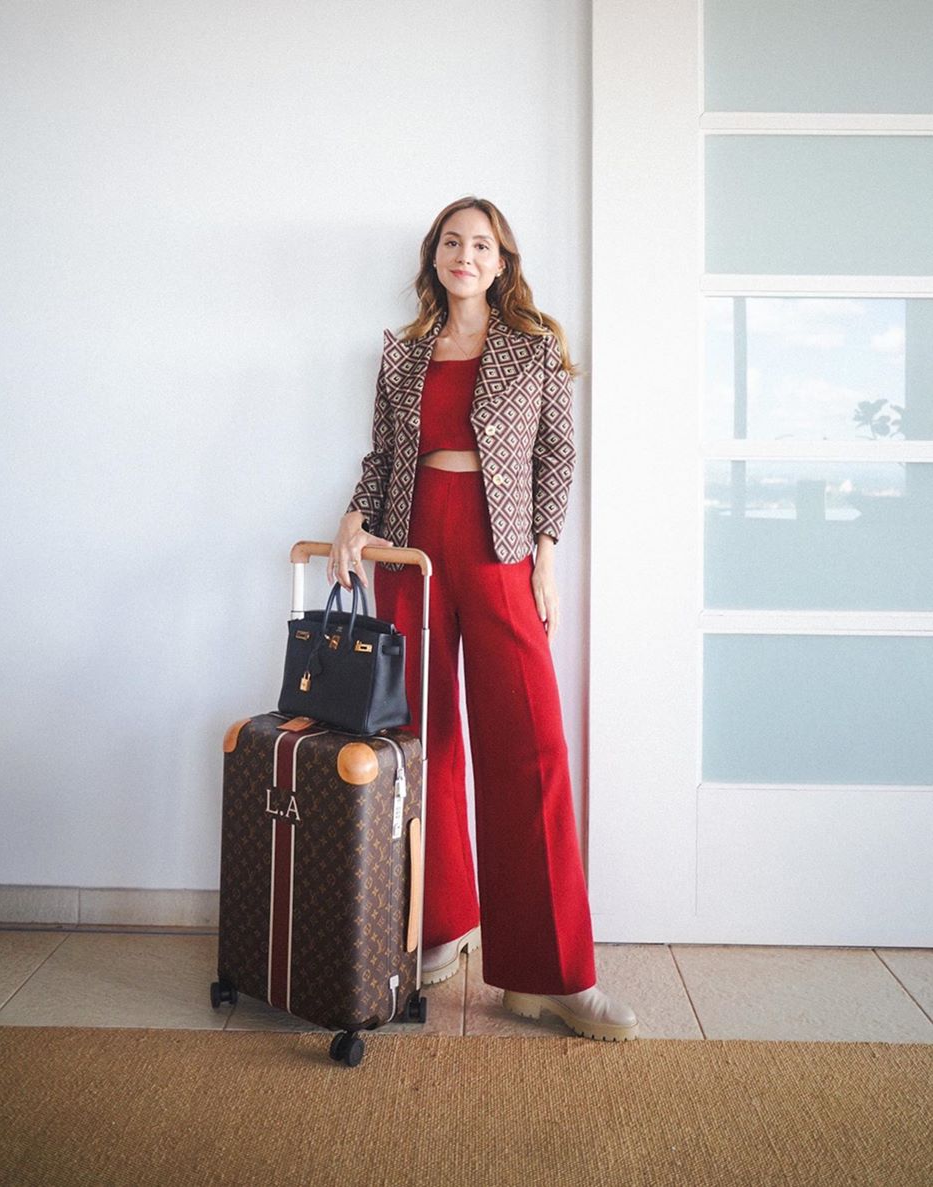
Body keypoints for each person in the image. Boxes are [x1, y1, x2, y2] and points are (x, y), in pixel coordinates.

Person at [328, 196, 638, 1042]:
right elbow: (385, 454)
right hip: (417, 546)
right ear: (435, 257)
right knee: (422, 742)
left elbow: (556, 457)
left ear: (502, 262)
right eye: (452, 242)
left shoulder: (533, 352)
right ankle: (439, 924)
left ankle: (554, 975)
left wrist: (544, 553)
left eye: (482, 244)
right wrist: (357, 514)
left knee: (530, 746)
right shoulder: (401, 357)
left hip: (500, 555)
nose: (466, 255)